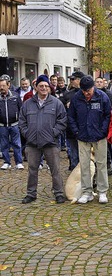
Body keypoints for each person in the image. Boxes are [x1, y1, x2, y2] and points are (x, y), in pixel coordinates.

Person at [18, 75, 67, 204]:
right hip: (32, 143)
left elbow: (62, 120)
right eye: (41, 86)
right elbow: (22, 121)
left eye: (46, 86)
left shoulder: (56, 103)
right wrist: (27, 133)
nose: (44, 88)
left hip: (51, 142)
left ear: (49, 88)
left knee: (55, 170)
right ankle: (31, 194)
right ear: (36, 87)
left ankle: (59, 193)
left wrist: (54, 133)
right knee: (32, 170)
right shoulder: (28, 104)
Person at [67, 76, 111, 204]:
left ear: (94, 87)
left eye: (89, 90)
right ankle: (87, 191)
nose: (87, 93)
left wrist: (103, 131)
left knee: (101, 164)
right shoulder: (76, 98)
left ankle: (102, 191)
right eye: (84, 90)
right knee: (84, 165)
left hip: (99, 137)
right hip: (83, 136)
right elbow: (71, 116)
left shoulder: (102, 97)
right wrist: (76, 131)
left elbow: (108, 115)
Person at [61, 71, 85, 171]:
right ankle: (75, 173)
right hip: (71, 130)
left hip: (84, 130)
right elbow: (60, 108)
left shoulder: (87, 93)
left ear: (79, 80)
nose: (70, 81)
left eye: (72, 79)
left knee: (85, 155)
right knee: (73, 154)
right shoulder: (68, 94)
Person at [0, 77, 23, 170]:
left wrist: (21, 122)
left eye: (3, 86)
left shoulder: (15, 96)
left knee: (17, 144)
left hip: (15, 124)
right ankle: (6, 162)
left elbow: (21, 109)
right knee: (4, 144)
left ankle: (19, 162)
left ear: (8, 85)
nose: (1, 88)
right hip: (2, 125)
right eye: (0, 86)